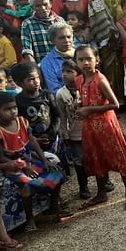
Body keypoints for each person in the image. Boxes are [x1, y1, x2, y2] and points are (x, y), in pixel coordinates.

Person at [0, 91, 68, 229]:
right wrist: (22, 166)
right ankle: (30, 219)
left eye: (14, 107)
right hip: (13, 167)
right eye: (7, 109)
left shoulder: (23, 121)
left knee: (56, 173)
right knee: (26, 186)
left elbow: (32, 142)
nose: (13, 111)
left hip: (30, 162)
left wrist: (44, 160)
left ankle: (54, 206)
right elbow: (0, 156)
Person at [73, 45, 126, 210]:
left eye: (89, 59)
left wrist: (89, 109)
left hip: (106, 124)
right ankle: (101, 193)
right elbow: (83, 99)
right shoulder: (79, 80)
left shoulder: (100, 80)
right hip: (90, 126)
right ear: (76, 62)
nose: (85, 63)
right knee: (97, 157)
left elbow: (115, 104)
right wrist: (79, 105)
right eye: (81, 59)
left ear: (97, 60)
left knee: (117, 155)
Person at [54, 60, 91, 199]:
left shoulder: (86, 88)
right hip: (74, 133)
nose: (64, 75)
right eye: (63, 72)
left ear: (78, 73)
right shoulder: (60, 94)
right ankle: (83, 187)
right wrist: (65, 133)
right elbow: (62, 116)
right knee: (79, 161)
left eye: (69, 72)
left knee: (95, 156)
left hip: (90, 130)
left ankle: (104, 181)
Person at [20, 0, 65, 66]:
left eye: (45, 4)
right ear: (32, 8)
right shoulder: (27, 24)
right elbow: (27, 51)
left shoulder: (60, 21)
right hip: (41, 65)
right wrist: (37, 70)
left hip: (61, 65)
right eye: (38, 6)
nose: (43, 8)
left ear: (50, 4)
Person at [38, 22, 75, 94]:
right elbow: (55, 90)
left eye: (69, 37)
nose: (67, 41)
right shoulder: (47, 62)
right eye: (61, 38)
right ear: (52, 41)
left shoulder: (81, 53)